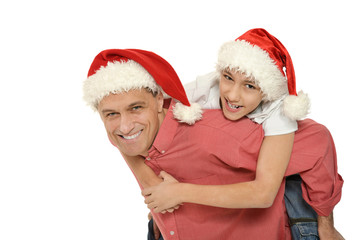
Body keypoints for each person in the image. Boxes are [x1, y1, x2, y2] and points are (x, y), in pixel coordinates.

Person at [83, 48, 343, 239]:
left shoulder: (220, 134)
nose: (125, 126)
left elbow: (316, 141)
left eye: (136, 108)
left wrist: (325, 219)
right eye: (111, 115)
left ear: (159, 102)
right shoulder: (132, 131)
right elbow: (125, 138)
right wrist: (150, 182)